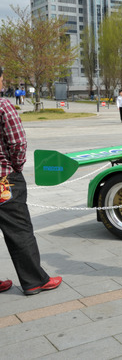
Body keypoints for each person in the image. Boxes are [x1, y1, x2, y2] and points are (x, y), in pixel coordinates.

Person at [0, 67, 62, 295]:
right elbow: (17, 143)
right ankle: (35, 280)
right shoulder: (3, 106)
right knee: (19, 229)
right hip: (3, 180)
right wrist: (16, 167)